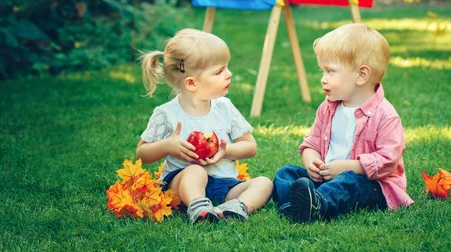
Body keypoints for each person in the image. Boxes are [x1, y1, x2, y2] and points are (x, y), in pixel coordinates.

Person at [273, 23, 413, 222]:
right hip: (327, 176)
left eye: (330, 71)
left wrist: (348, 167)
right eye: (322, 71)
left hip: (371, 184)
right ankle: (296, 205)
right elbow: (311, 143)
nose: (323, 79)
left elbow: (388, 161)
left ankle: (319, 205)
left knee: (349, 182)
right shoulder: (328, 107)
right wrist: (312, 162)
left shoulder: (385, 116)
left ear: (361, 75)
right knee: (287, 172)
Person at [137, 29, 273, 223]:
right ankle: (198, 205)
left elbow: (250, 147)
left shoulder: (224, 108)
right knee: (196, 171)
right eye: (219, 71)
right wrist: (167, 145)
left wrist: (224, 151)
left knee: (264, 183)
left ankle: (235, 207)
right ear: (192, 83)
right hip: (180, 185)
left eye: (226, 67)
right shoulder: (166, 113)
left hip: (224, 185)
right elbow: (142, 154)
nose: (229, 74)